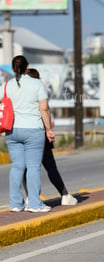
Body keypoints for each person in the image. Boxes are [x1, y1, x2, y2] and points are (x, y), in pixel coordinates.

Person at [0, 55, 54, 212]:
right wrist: (49, 129)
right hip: (33, 130)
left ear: (12, 68)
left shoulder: (6, 86)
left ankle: (16, 204)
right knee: (32, 167)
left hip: (12, 131)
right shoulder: (36, 83)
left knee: (17, 167)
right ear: (27, 67)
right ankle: (35, 204)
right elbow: (44, 108)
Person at [22, 68, 77, 206]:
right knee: (50, 167)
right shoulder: (39, 93)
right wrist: (48, 129)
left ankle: (30, 198)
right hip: (40, 134)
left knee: (26, 168)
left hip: (23, 135)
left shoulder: (19, 95)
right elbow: (45, 110)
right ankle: (65, 195)